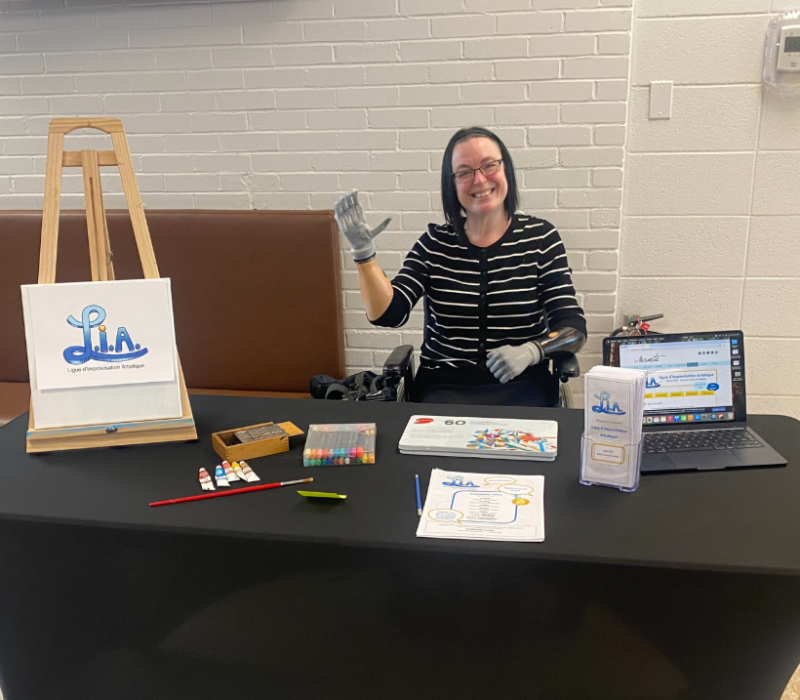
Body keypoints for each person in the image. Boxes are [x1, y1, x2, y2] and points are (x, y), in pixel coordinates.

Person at [334, 126, 586, 406]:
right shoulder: (434, 243)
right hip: (444, 389)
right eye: (464, 172)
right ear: (451, 184)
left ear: (506, 169)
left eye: (489, 165)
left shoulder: (541, 239)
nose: (479, 179)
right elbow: (390, 314)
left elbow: (573, 329)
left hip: (525, 386)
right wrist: (364, 256)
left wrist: (533, 351)